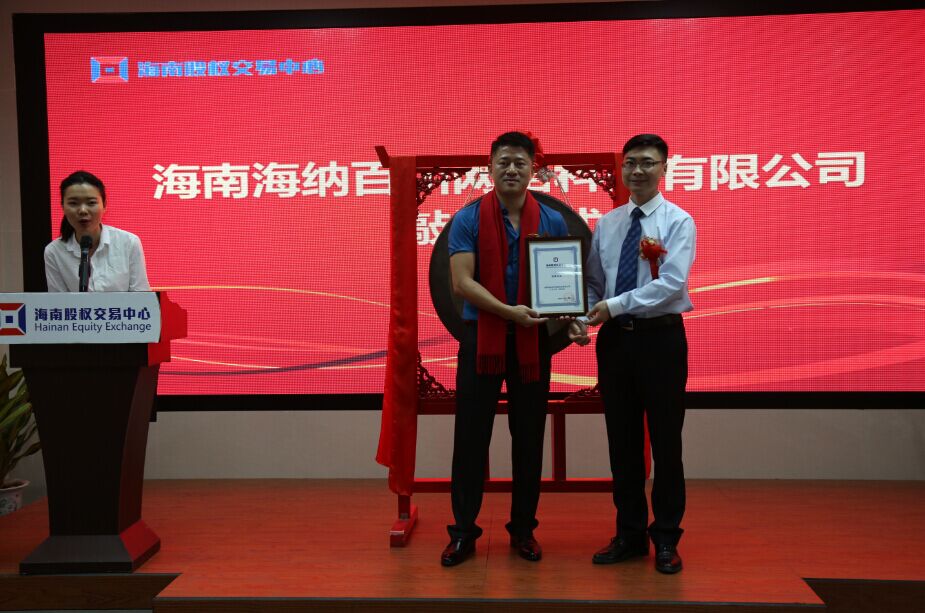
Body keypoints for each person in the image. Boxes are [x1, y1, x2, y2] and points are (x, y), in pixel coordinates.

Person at [441, 131, 568, 566]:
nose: (512, 169)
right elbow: (462, 283)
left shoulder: (551, 220)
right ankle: (463, 532)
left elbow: (558, 285)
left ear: (534, 169)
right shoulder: (468, 219)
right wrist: (508, 312)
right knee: (471, 438)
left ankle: (523, 530)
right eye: (504, 162)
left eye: (520, 163)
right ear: (490, 167)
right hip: (483, 341)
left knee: (529, 439)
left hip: (532, 344)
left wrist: (571, 318)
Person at [570, 134, 695, 574]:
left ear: (664, 169)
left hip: (661, 341)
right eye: (630, 163)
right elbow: (594, 284)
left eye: (647, 162)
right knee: (622, 443)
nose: (637, 171)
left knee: (666, 443)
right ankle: (629, 534)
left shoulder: (678, 221)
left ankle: (666, 537)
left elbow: (672, 285)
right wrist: (583, 317)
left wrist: (612, 306)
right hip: (616, 343)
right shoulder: (607, 224)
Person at [44, 171, 150, 292]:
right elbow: (57, 300)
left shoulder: (128, 243)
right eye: (73, 203)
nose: (83, 210)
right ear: (63, 207)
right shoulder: (54, 251)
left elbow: (141, 295)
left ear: (104, 205)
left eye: (91, 203)